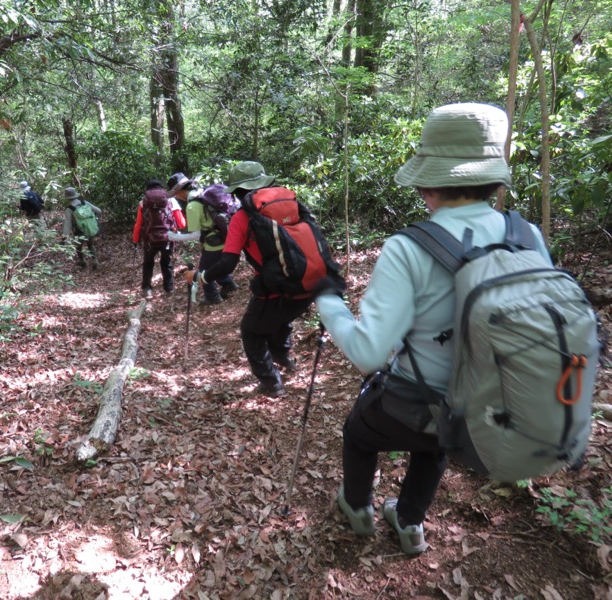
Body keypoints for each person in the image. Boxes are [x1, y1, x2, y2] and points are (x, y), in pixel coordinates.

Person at [315, 103, 552, 555]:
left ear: (428, 182)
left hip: (416, 403)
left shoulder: (409, 247)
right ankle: (409, 523)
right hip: (497, 405)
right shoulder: (527, 235)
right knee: (439, 438)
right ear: (492, 176)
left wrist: (328, 302)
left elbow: (368, 354)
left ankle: (358, 508)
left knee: (360, 432)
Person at [185, 161, 331, 398]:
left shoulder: (242, 218)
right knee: (282, 317)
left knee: (251, 332)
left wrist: (201, 276)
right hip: (311, 282)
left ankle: (271, 383)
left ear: (239, 192)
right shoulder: (293, 203)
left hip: (274, 288)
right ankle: (284, 357)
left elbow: (227, 263)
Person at [167, 173, 239, 306]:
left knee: (203, 270)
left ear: (180, 192)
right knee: (215, 264)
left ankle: (212, 296)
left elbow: (196, 234)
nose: (176, 197)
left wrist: (175, 237)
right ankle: (229, 284)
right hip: (227, 235)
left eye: (175, 194)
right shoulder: (204, 193)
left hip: (214, 243)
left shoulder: (192, 206)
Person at [132, 179, 187, 299]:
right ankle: (169, 289)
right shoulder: (171, 200)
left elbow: (138, 224)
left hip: (149, 239)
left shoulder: (143, 202)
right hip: (167, 237)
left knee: (148, 263)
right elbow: (182, 223)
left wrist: (135, 240)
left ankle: (147, 289)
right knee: (166, 262)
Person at [61, 187, 102, 270]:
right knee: (90, 245)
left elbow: (67, 224)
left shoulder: (69, 209)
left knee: (78, 247)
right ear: (75, 195)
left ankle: (82, 261)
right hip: (90, 228)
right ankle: (95, 261)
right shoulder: (84, 202)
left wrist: (65, 237)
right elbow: (99, 211)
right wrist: (95, 220)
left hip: (79, 231)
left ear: (67, 198)